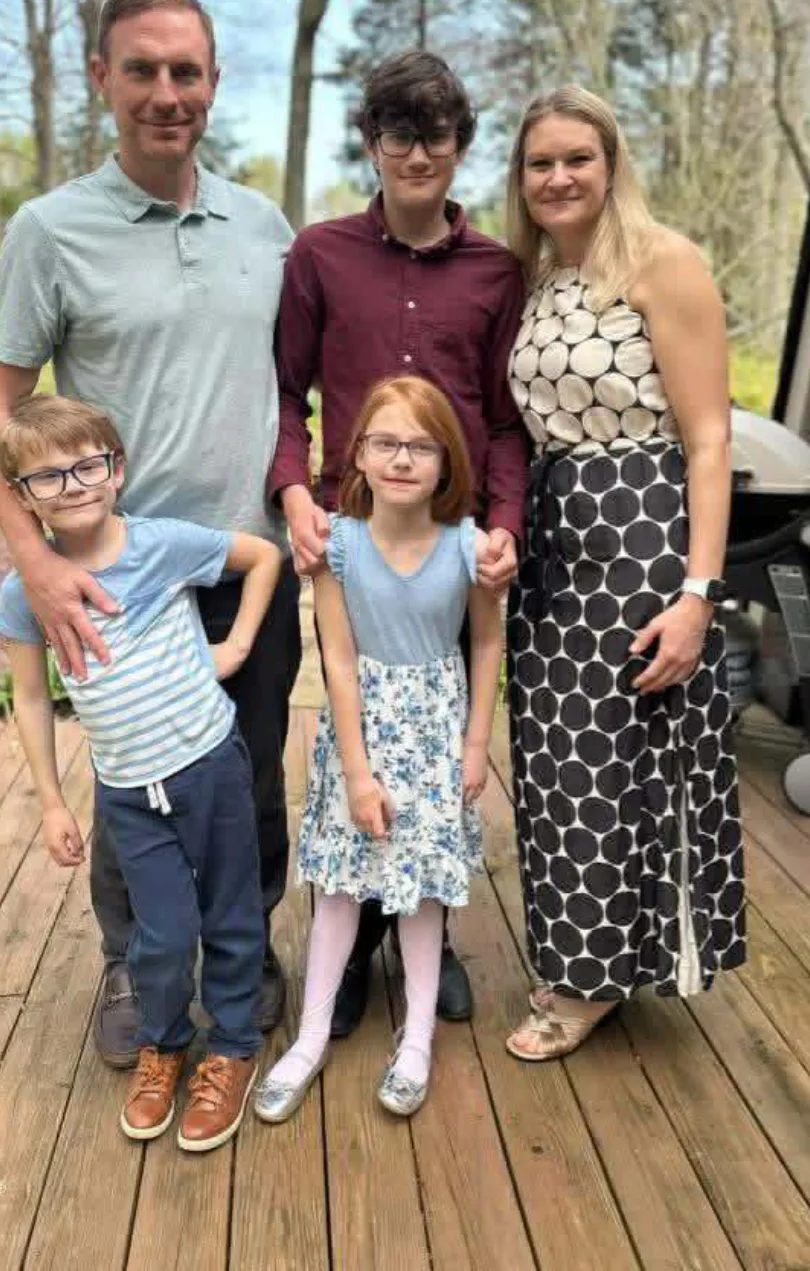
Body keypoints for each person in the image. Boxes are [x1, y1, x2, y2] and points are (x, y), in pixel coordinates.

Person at [0, 0, 301, 1067]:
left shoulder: (262, 224)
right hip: (115, 574)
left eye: (188, 71)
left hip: (247, 553)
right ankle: (133, 956)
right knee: (135, 779)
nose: (168, 92)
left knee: (248, 774)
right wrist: (39, 563)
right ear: (104, 80)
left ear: (213, 83)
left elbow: (308, 383)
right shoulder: (50, 231)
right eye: (145, 70)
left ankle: (241, 956)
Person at [269, 50, 528, 1034]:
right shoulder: (321, 254)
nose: (416, 153)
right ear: (372, 143)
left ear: (459, 146)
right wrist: (293, 487)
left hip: (453, 550)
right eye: (397, 134)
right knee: (357, 731)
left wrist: (503, 522)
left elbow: (504, 420)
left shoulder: (494, 272)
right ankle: (354, 948)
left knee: (436, 746)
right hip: (354, 541)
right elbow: (284, 392)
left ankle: (431, 929)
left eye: (435, 135)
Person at [502, 87, 745, 1061]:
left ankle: (593, 975)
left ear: (610, 165)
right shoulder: (538, 275)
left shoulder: (660, 262)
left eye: (576, 158)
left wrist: (696, 591)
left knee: (616, 758)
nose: (557, 177)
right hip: (555, 535)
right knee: (555, 762)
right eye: (538, 163)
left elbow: (709, 436)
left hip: (640, 525)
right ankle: (581, 949)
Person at [0, 395, 281, 1148]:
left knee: (230, 914)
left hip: (210, 766)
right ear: (21, 497)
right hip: (126, 789)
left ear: (116, 469)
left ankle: (233, 1048)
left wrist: (238, 647)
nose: (74, 484)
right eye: (47, 476)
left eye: (88, 465)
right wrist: (53, 802)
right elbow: (29, 694)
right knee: (159, 932)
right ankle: (164, 1041)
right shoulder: (25, 590)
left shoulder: (163, 544)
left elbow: (264, 557)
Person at [254, 377, 502, 1122]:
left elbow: (488, 639)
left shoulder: (471, 547)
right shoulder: (339, 546)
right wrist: (356, 773)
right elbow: (335, 659)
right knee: (338, 888)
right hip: (359, 734)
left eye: (421, 445)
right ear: (358, 453)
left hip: (435, 732)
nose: (402, 459)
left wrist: (477, 741)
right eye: (386, 442)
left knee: (423, 890)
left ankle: (417, 1033)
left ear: (446, 459)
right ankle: (308, 1037)